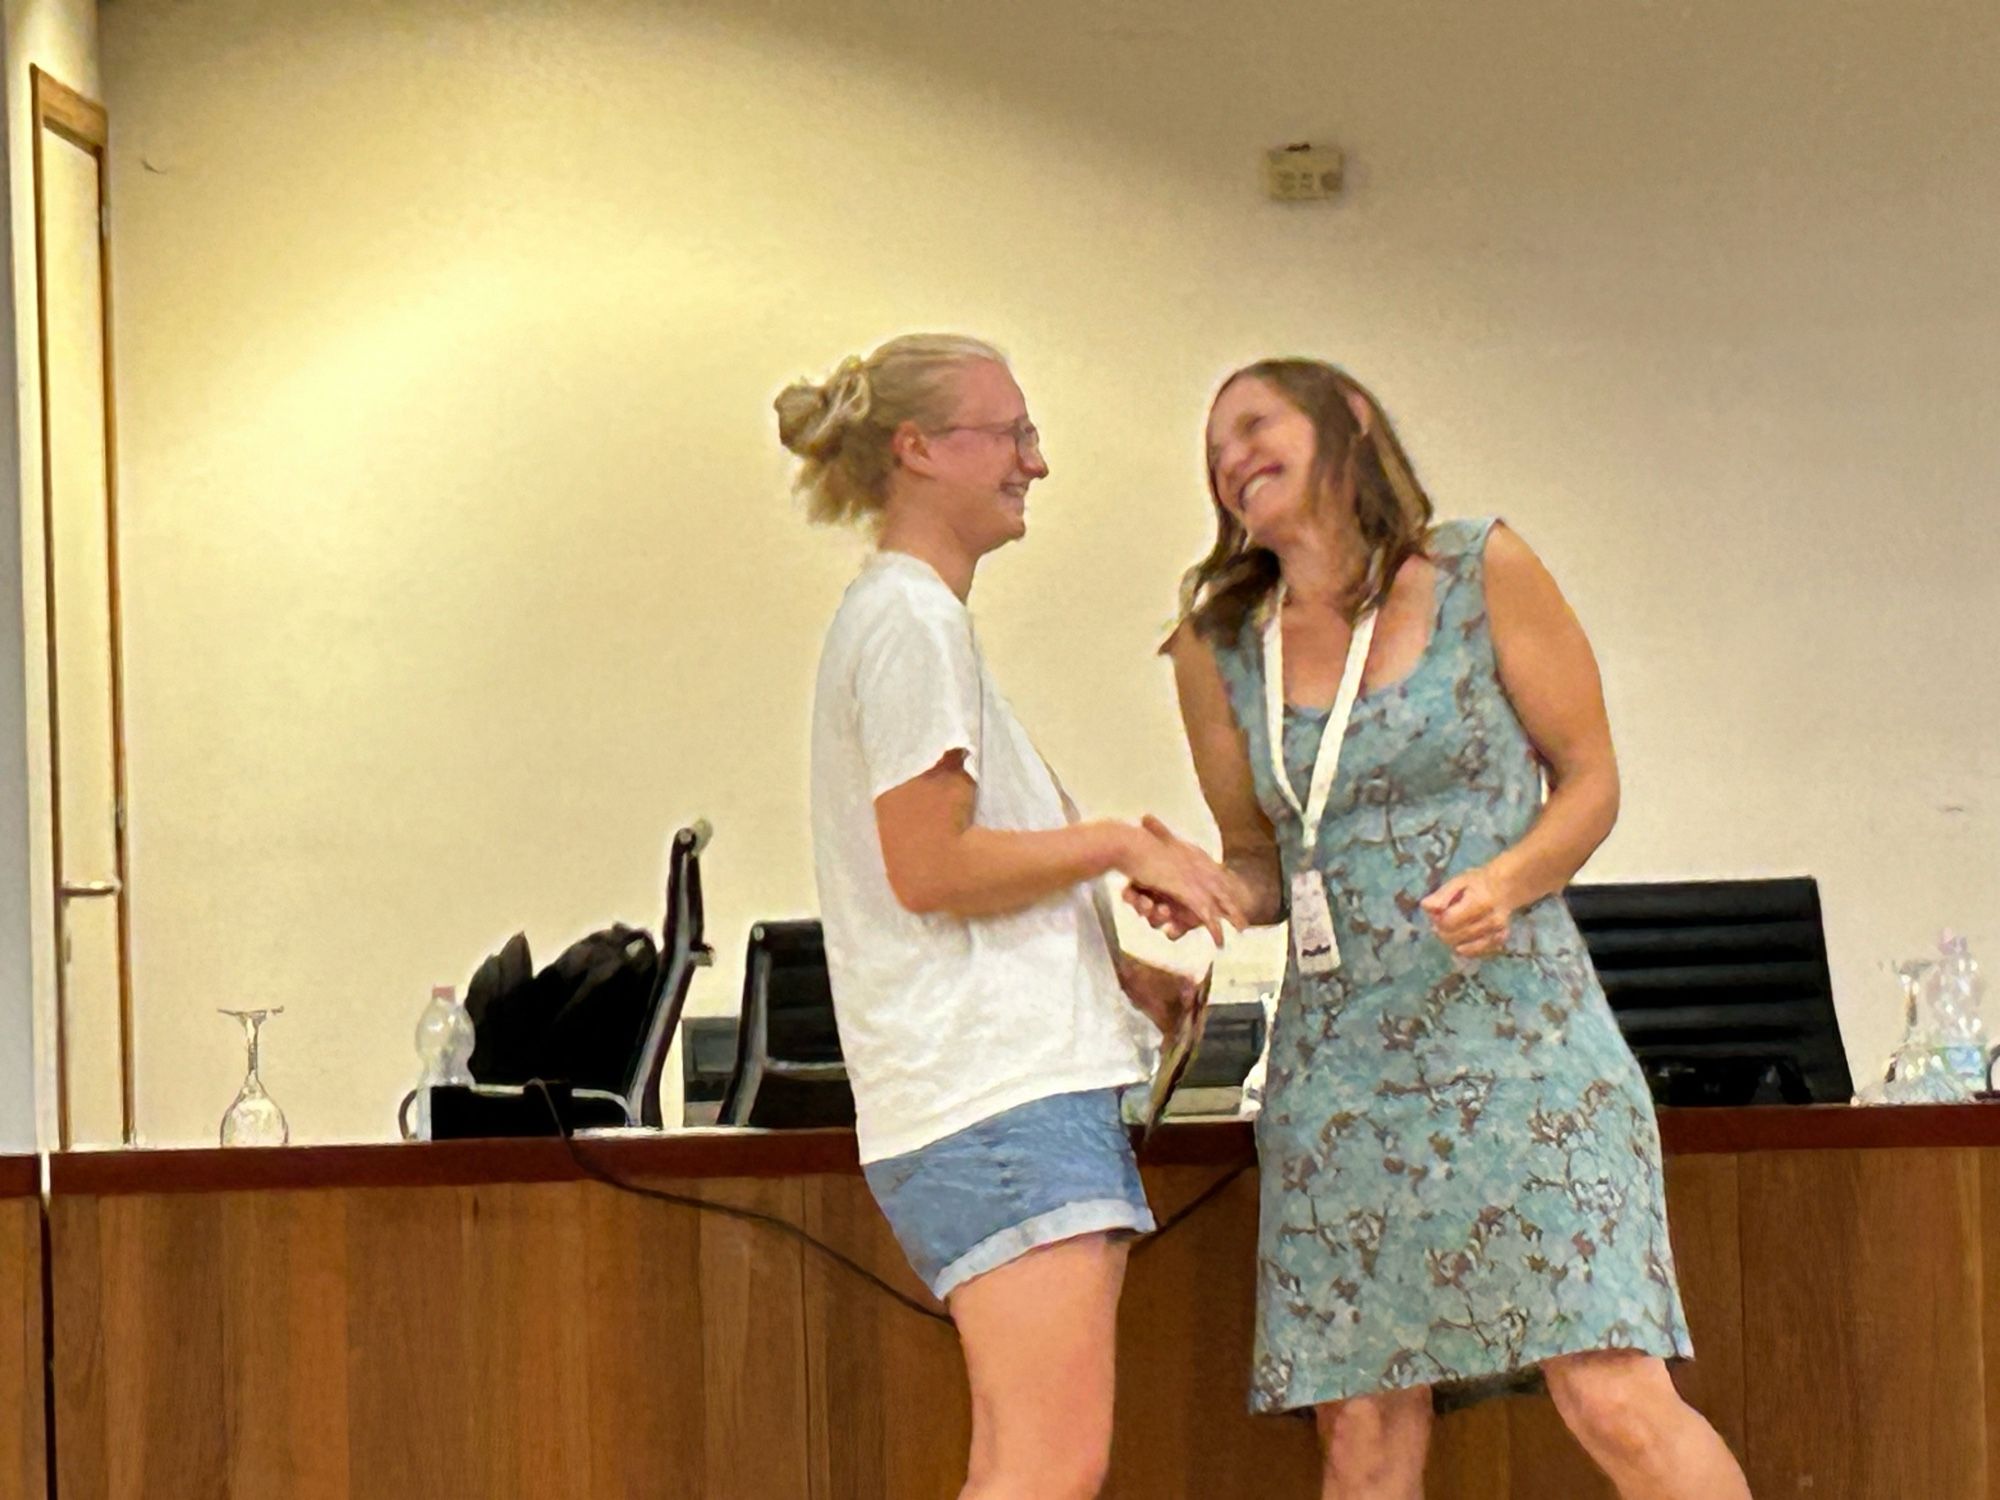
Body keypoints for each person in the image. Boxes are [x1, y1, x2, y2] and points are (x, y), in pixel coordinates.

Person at [1134, 358, 1750, 1499]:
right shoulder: (1217, 646)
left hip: (1524, 1044)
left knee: (1609, 1392)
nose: (1228, 458)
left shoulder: (1479, 567)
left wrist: (1510, 880)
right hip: (1342, 1073)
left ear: (1349, 423)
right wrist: (1209, 893)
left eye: (1254, 424)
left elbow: (1590, 781)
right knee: (1362, 1427)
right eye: (1212, 446)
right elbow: (1263, 860)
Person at [777, 333, 1243, 1500]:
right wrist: (1123, 842)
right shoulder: (911, 622)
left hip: (991, 1094)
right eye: (1011, 435)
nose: (1033, 462)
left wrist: (1109, 973)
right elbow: (928, 867)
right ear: (918, 449)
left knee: (1024, 1461)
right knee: (1049, 1464)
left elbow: (940, 875)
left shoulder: (910, 620)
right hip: (993, 1100)